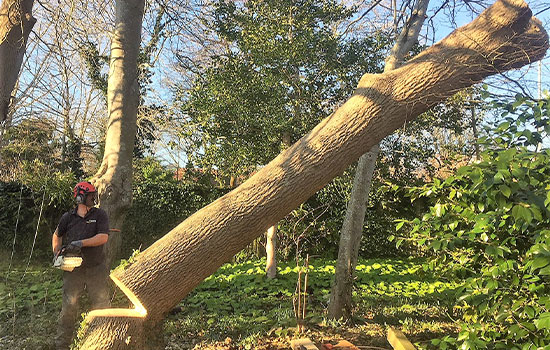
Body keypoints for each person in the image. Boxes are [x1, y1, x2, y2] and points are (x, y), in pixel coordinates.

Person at [52, 181, 110, 350]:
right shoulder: (67, 218)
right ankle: (62, 345)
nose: (94, 198)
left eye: (94, 195)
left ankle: (105, 340)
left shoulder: (100, 215)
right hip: (73, 269)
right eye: (91, 196)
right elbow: (57, 235)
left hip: (95, 268)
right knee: (69, 306)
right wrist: (57, 252)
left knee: (101, 304)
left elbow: (103, 237)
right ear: (80, 197)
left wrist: (81, 243)